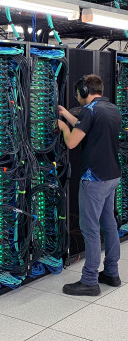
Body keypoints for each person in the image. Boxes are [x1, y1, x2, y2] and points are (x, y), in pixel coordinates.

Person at [58, 74, 122, 296]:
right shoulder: (111, 109)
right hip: (112, 176)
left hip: (93, 179)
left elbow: (72, 142)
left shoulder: (89, 110)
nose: (78, 98)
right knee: (109, 224)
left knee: (91, 230)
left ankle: (89, 281)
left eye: (78, 94)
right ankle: (112, 273)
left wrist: (63, 128)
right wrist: (66, 114)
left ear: (85, 92)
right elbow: (89, 127)